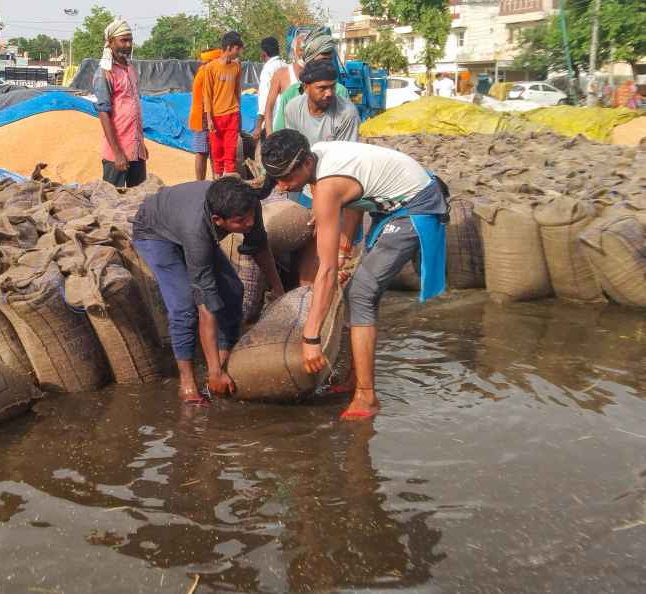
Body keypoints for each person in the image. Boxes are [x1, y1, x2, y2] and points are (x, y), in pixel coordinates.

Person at [260, 130, 449, 420]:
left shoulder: (326, 185)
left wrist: (311, 337)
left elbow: (326, 270)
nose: (283, 186)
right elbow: (355, 196)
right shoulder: (317, 155)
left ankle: (367, 396)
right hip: (391, 203)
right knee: (354, 292)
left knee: (361, 292)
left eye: (287, 177)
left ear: (306, 162)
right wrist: (344, 244)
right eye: (276, 180)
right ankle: (354, 378)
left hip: (416, 204)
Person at [132, 177, 285, 403]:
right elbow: (206, 304)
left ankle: (223, 361)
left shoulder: (248, 205)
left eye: (251, 216)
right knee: (184, 306)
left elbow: (259, 246)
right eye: (241, 221)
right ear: (218, 220)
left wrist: (279, 289)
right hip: (154, 232)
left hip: (182, 218)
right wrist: (213, 373)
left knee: (233, 290)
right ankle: (188, 384)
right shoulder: (197, 233)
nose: (250, 223)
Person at [281, 59, 361, 286]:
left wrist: (323, 203)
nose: (329, 93)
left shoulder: (347, 113)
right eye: (322, 88)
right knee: (307, 240)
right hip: (306, 179)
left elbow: (344, 165)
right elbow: (293, 151)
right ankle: (304, 291)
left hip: (340, 181)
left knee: (340, 247)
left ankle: (340, 290)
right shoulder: (293, 108)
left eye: (332, 87)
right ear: (305, 86)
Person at [93, 18, 148, 188]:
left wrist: (141, 144)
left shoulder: (130, 69)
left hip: (136, 152)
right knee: (112, 203)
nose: (128, 44)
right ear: (110, 42)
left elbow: (132, 110)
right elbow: (104, 113)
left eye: (130, 40)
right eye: (123, 40)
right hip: (116, 154)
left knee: (138, 201)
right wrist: (117, 153)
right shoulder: (105, 73)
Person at [271, 26, 351, 133]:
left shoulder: (341, 93)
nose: (328, 93)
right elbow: (280, 134)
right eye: (322, 60)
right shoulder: (290, 95)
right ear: (309, 61)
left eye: (329, 60)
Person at [203, 31, 244, 177]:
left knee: (230, 151)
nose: (239, 52)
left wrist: (238, 112)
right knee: (216, 151)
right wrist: (209, 119)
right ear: (229, 48)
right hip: (215, 116)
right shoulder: (211, 68)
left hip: (232, 114)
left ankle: (229, 182)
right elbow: (207, 94)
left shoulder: (237, 67)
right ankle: (218, 180)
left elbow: (237, 91)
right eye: (237, 49)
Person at [263, 33, 305, 143]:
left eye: (308, 50)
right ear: (294, 50)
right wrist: (269, 134)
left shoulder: (315, 76)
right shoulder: (281, 75)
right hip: (283, 135)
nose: (304, 54)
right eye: (301, 49)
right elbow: (269, 107)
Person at [188, 48, 222, 181]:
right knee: (203, 152)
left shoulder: (203, 71)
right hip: (203, 117)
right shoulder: (207, 72)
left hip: (202, 116)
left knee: (211, 151)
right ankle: (202, 183)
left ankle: (209, 181)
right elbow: (207, 98)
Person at [252, 37, 286, 142]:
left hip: (272, 123)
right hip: (286, 121)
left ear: (263, 53)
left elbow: (264, 101)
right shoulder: (286, 66)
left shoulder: (268, 70)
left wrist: (258, 127)